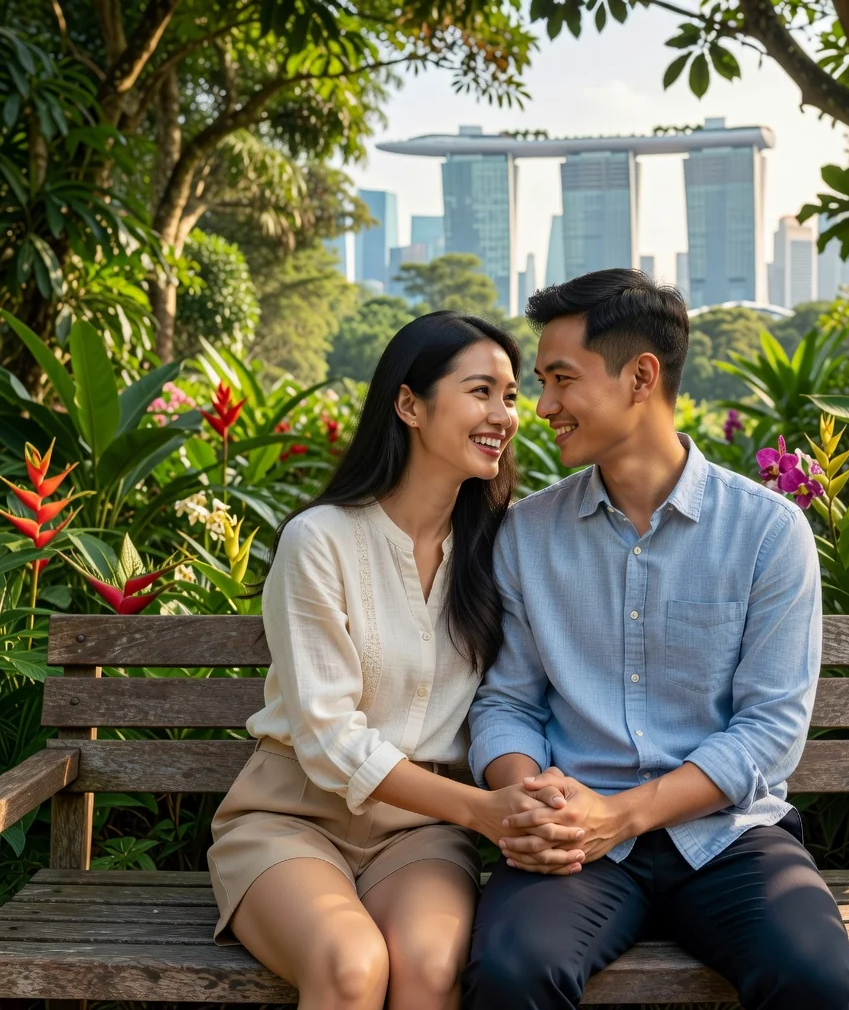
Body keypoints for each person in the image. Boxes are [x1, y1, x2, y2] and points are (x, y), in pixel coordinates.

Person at [462, 270, 849, 1010]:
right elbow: (507, 702)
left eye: (561, 379)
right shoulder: (524, 535)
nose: (542, 406)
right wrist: (530, 797)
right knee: (512, 970)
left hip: (727, 838)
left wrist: (622, 813)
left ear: (641, 377)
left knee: (811, 976)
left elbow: (771, 730)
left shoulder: (768, 532)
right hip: (574, 839)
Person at [207, 312, 580, 1010]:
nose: (502, 414)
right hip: (293, 819)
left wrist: (531, 801)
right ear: (409, 404)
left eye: (509, 396)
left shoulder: (500, 548)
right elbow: (327, 740)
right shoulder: (320, 541)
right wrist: (484, 811)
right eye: (480, 392)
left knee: (427, 968)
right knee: (352, 965)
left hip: (421, 837)